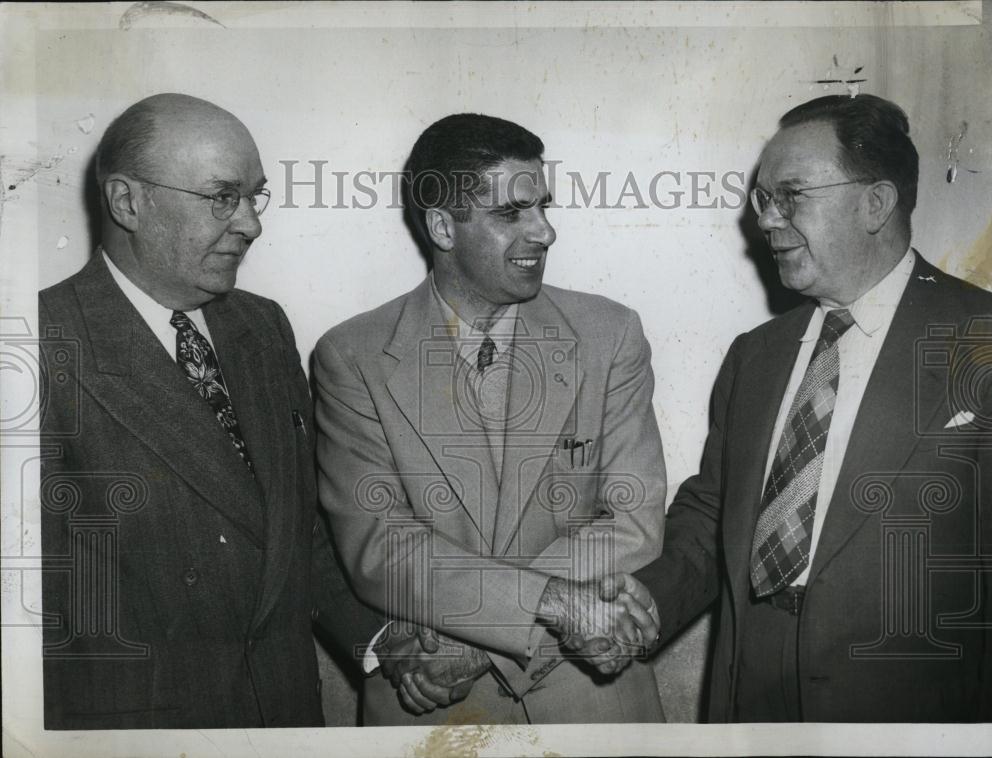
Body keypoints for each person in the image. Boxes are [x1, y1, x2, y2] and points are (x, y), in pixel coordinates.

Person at [626, 94, 992, 722]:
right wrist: (641, 606)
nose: (768, 221)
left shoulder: (985, 342)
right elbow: (712, 512)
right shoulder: (757, 355)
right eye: (762, 199)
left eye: (791, 195)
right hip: (750, 704)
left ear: (875, 203)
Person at [38, 93, 382, 729]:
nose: (251, 223)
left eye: (255, 196)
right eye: (223, 196)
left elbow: (297, 526)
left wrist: (382, 644)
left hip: (285, 717)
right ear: (127, 202)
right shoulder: (37, 346)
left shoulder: (263, 325)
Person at [314, 113, 666, 724]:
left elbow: (633, 522)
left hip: (588, 699)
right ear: (443, 227)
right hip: (435, 715)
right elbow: (380, 549)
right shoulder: (352, 356)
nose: (546, 232)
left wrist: (478, 638)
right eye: (512, 214)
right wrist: (552, 603)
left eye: (544, 207)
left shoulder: (610, 334)